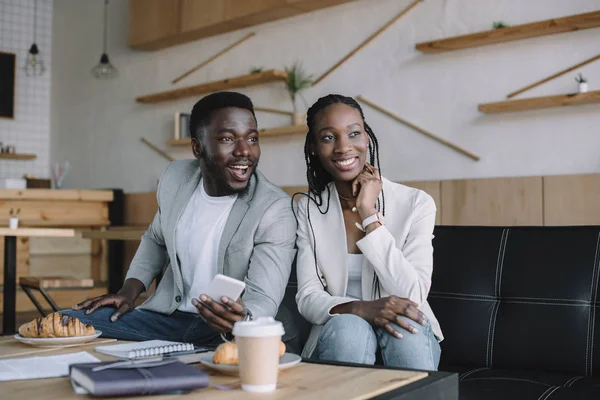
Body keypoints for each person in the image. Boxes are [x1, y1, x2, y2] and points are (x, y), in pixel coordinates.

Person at [63, 92, 297, 347]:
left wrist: (241, 320)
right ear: (197, 147)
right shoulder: (176, 177)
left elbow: (263, 298)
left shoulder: (274, 208)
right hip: (167, 320)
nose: (244, 151)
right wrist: (128, 293)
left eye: (252, 138)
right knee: (66, 322)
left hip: (228, 331)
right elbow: (155, 239)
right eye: (228, 139)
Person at [294, 94, 443, 370]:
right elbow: (308, 297)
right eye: (329, 137)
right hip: (340, 334)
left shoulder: (415, 203)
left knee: (404, 331)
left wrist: (368, 213)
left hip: (407, 331)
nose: (344, 147)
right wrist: (361, 309)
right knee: (350, 330)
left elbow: (413, 294)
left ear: (367, 139)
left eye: (354, 134)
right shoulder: (310, 209)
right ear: (314, 146)